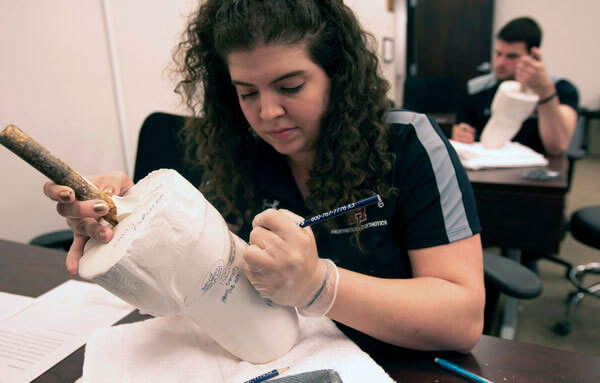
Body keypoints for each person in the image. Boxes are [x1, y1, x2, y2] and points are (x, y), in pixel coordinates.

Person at [43, 0, 484, 353]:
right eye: (247, 92)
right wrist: (125, 223)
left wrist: (320, 286)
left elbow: (462, 320)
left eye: (291, 87)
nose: (268, 113)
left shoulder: (407, 143)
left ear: (338, 75)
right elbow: (197, 287)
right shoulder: (237, 153)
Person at [453, 17, 579, 155]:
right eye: (498, 54)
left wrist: (544, 90)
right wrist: (462, 135)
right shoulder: (475, 88)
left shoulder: (562, 89)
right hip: (488, 165)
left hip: (538, 169)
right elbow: (460, 132)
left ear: (533, 56)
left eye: (511, 56)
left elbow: (558, 146)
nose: (500, 62)